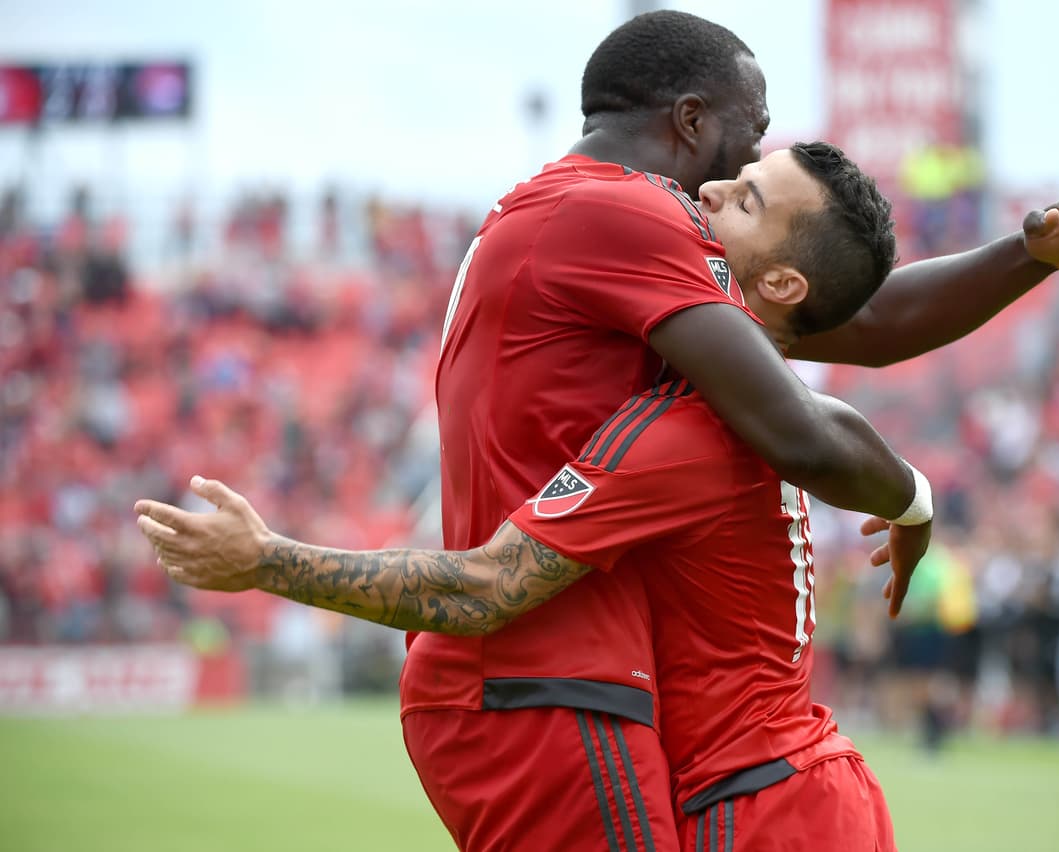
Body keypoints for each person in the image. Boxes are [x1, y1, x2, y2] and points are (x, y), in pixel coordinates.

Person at [142, 9, 1059, 849]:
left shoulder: (620, 268)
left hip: (594, 699)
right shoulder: (630, 219)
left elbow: (839, 317)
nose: (739, 164)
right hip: (549, 678)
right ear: (688, 120)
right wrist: (908, 497)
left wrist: (1024, 259)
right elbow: (811, 402)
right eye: (750, 137)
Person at [138, 140, 912, 851]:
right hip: (812, 790)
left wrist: (267, 561)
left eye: (745, 201)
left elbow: (486, 586)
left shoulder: (688, 431)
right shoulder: (786, 416)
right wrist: (916, 503)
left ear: (782, 284)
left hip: (759, 811)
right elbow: (873, 382)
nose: (708, 191)